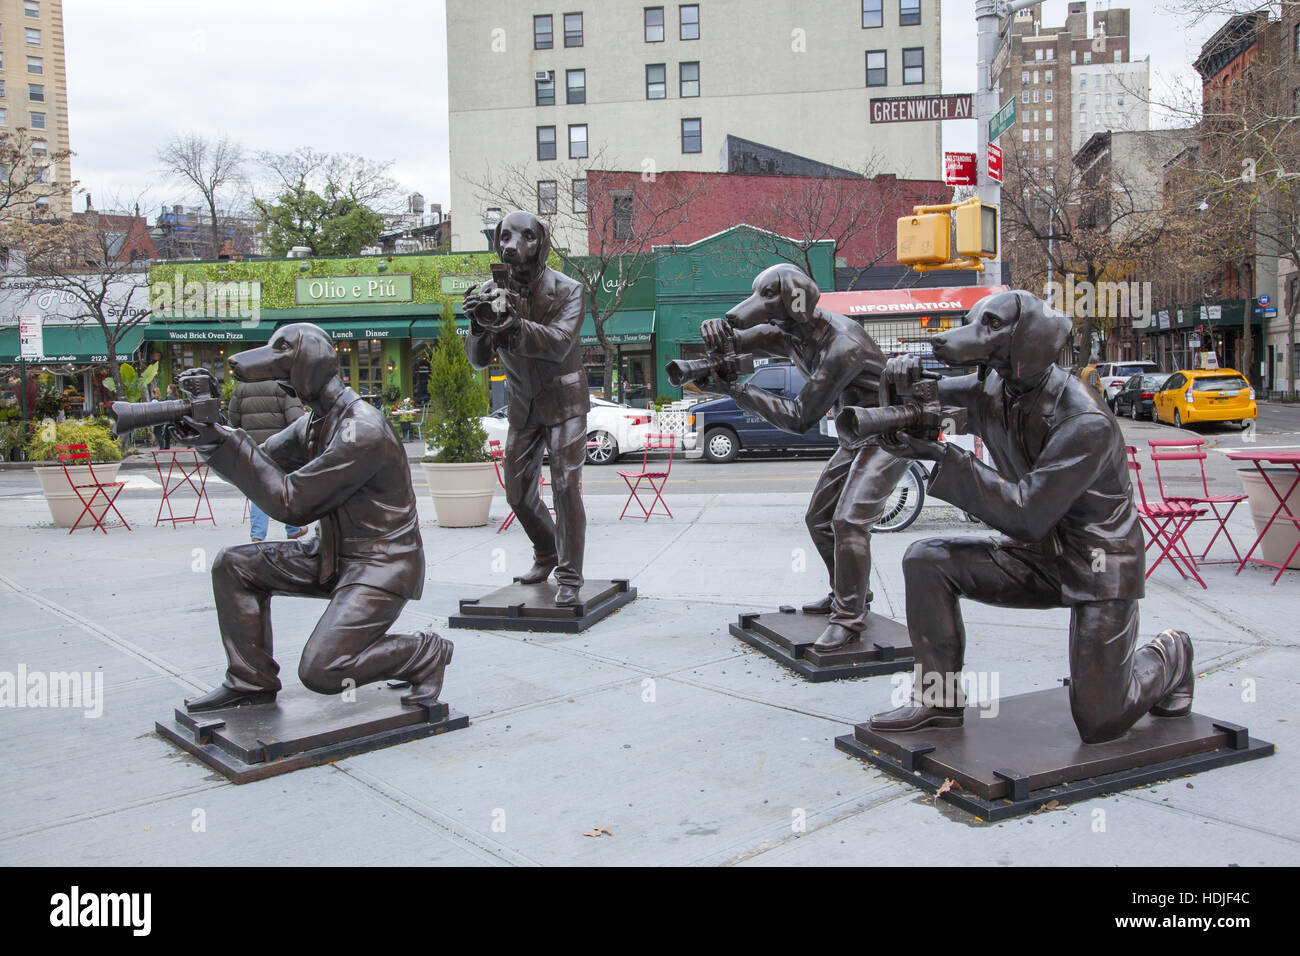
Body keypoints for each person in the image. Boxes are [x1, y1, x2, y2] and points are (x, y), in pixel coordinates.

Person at [867, 291, 1194, 743]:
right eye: (975, 322)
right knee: (927, 559)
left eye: (991, 325)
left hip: (1096, 566)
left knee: (1100, 721)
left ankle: (1171, 654)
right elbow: (924, 396)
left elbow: (1026, 514)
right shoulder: (994, 389)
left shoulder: (1084, 421)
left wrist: (943, 454)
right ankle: (937, 701)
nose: (969, 334)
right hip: (1032, 556)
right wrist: (896, 375)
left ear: (1031, 340)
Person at [174, 322, 452, 712]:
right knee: (234, 564)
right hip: (330, 556)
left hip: (381, 564)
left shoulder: (362, 429)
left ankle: (424, 652)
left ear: (308, 365)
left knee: (324, 670)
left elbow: (293, 503)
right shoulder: (314, 422)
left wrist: (226, 442)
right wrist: (210, 435)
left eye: (282, 353)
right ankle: (250, 681)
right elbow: (261, 458)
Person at [700, 263, 909, 651]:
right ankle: (850, 594)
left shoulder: (843, 345)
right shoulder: (793, 333)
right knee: (819, 519)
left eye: (767, 296)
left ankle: (848, 618)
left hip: (891, 431)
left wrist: (738, 391)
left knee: (848, 520)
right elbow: (742, 337)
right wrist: (718, 331)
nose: (754, 304)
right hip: (857, 431)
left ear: (795, 303)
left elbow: (800, 418)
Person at [463, 211, 588, 606]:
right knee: (517, 494)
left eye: (524, 237)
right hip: (523, 403)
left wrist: (514, 325)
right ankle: (547, 551)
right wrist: (479, 327)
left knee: (566, 485)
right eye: (505, 236)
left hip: (564, 400)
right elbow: (479, 360)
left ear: (541, 244)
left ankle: (569, 574)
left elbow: (559, 343)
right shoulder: (490, 291)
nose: (511, 244)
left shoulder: (569, 289)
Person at [227, 379, 308, 542]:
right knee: (286, 487)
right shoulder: (282, 386)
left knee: (259, 488)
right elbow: (296, 419)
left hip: (252, 445)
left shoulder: (242, 386)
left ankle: (258, 534)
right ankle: (292, 527)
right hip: (279, 445)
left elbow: (233, 419)